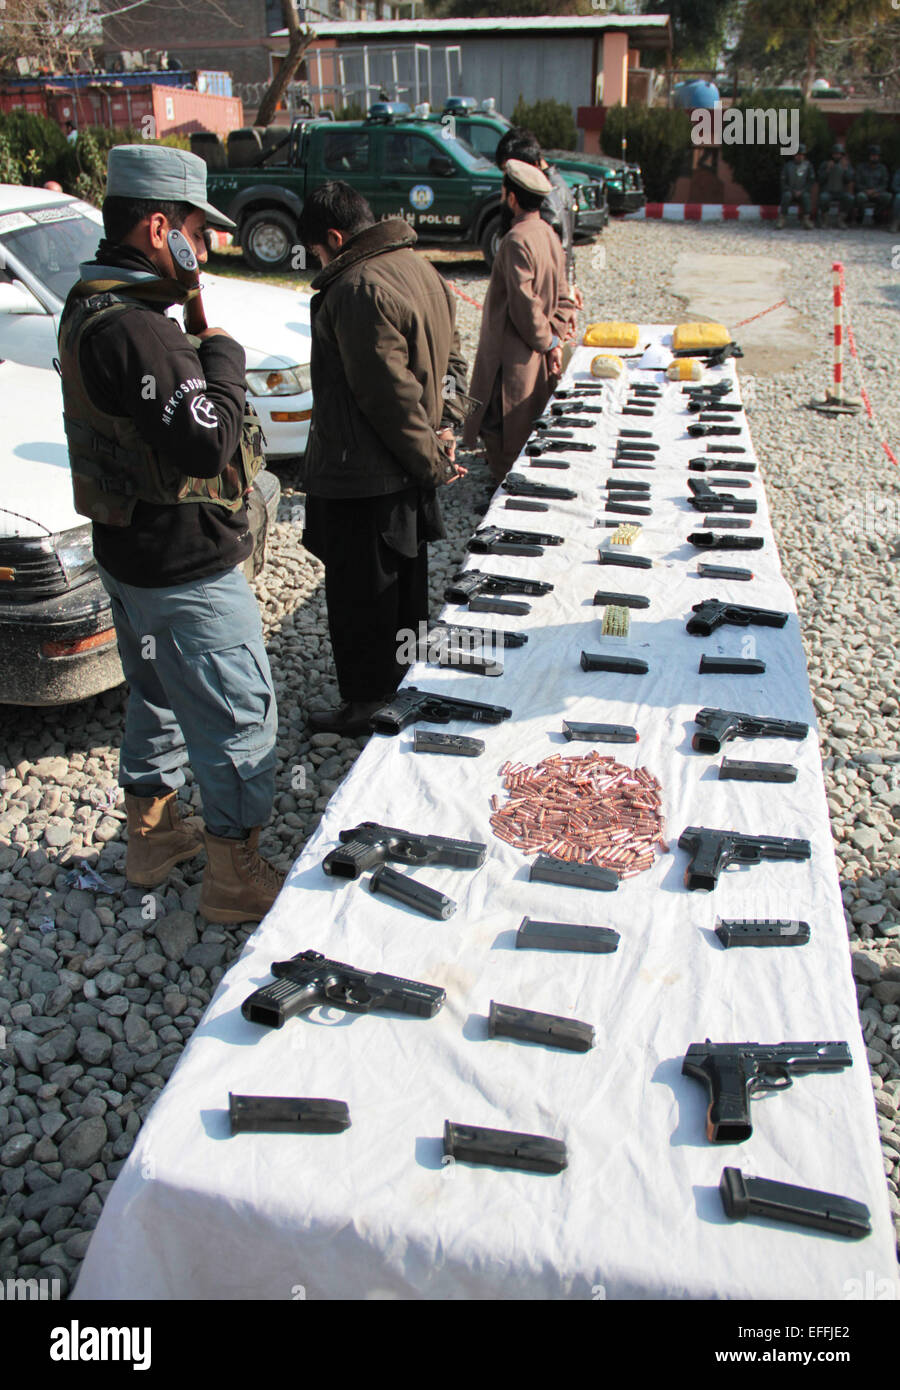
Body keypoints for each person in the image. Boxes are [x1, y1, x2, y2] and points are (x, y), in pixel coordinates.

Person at [57, 144, 284, 923]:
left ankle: (151, 836)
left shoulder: (91, 301)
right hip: (183, 572)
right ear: (161, 228)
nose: (208, 244)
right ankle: (235, 873)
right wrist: (219, 355)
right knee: (239, 714)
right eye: (197, 228)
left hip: (129, 562)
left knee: (154, 694)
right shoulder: (143, 332)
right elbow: (209, 443)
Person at [298, 182, 469, 737]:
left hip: (365, 479)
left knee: (362, 598)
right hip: (402, 466)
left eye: (318, 254)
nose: (318, 264)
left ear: (334, 238)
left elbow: (388, 399)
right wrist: (446, 429)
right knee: (404, 587)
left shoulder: (355, 287)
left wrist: (432, 460)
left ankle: (368, 705)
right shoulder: (422, 270)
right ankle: (400, 687)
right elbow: (453, 364)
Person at [463, 158, 576, 483]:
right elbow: (565, 298)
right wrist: (555, 338)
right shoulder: (548, 233)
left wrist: (548, 340)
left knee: (503, 435)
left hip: (513, 359)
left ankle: (503, 508)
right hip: (535, 356)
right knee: (525, 432)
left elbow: (524, 309)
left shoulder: (515, 240)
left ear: (511, 198)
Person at [495, 126, 583, 310]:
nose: (506, 178)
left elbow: (557, 250)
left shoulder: (541, 198)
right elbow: (568, 245)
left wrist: (563, 297)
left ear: (531, 166)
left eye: (509, 170)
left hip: (543, 300)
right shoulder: (559, 184)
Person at [816, 142, 854, 228]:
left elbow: (849, 179)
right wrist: (827, 170)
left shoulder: (846, 165)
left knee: (849, 198)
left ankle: (841, 219)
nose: (837, 156)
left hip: (841, 192)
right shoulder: (825, 164)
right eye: (835, 154)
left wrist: (845, 169)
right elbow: (820, 179)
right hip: (828, 191)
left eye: (839, 154)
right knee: (823, 197)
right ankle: (825, 220)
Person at [777, 144, 814, 229]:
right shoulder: (788, 166)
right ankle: (782, 219)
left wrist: (803, 190)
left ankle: (806, 219)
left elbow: (810, 181)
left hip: (803, 191)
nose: (799, 156)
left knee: (806, 197)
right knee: (786, 196)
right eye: (797, 154)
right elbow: (783, 181)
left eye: (801, 154)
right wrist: (791, 190)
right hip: (790, 190)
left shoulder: (808, 166)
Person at [854, 145, 891, 226]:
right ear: (869, 156)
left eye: (876, 156)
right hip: (864, 192)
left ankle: (877, 216)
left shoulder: (882, 168)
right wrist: (866, 191)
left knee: (887, 196)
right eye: (873, 155)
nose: (874, 157)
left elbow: (884, 184)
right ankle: (860, 216)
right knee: (860, 197)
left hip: (877, 192)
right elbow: (857, 183)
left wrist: (876, 191)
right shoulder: (861, 167)